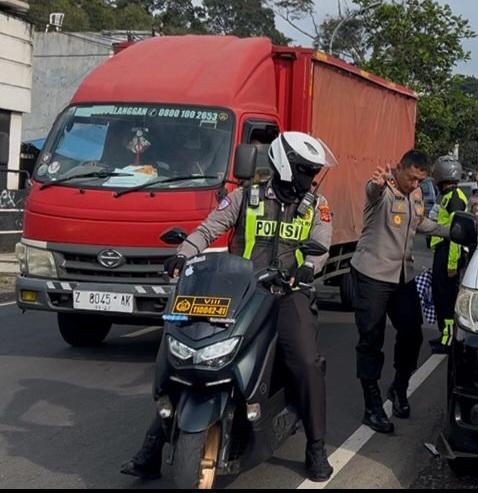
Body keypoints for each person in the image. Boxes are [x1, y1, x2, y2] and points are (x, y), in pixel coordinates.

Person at [120, 131, 335, 482]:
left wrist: (307, 268)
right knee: (186, 356)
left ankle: (316, 446)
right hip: (240, 291)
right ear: (285, 165)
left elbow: (321, 247)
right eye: (305, 170)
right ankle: (152, 446)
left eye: (313, 172)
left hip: (287, 292)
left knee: (307, 362)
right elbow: (208, 229)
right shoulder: (244, 197)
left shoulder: (316, 205)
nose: (310, 179)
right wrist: (182, 254)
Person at [350, 149, 449, 434]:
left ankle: (399, 387)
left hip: (402, 276)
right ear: (400, 168)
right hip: (372, 275)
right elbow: (372, 193)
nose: (415, 184)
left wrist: (448, 230)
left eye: (420, 180)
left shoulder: (415, 195)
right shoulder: (383, 189)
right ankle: (372, 405)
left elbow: (420, 223)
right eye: (411, 178)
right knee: (371, 340)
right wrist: (378, 184)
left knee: (412, 333)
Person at [428, 156, 467, 354]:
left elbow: (455, 234)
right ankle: (445, 335)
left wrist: (451, 264)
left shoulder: (454, 199)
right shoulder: (446, 196)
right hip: (441, 252)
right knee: (440, 298)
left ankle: (449, 340)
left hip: (448, 254)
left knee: (447, 299)